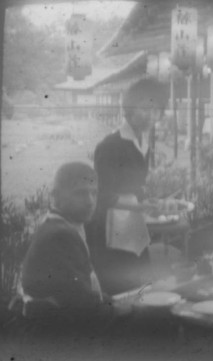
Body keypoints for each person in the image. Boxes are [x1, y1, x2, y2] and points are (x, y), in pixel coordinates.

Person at [86, 77, 168, 295]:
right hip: (107, 230)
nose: (152, 116)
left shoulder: (143, 141)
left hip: (131, 225)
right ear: (130, 108)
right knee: (121, 294)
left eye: (157, 110)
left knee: (142, 289)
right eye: (145, 108)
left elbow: (134, 187)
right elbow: (101, 196)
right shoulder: (110, 145)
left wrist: (146, 201)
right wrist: (141, 207)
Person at [21, 162, 113, 330]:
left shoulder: (58, 224)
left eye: (94, 193)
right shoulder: (60, 235)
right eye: (80, 193)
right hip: (61, 335)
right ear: (55, 196)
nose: (90, 201)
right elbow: (81, 305)